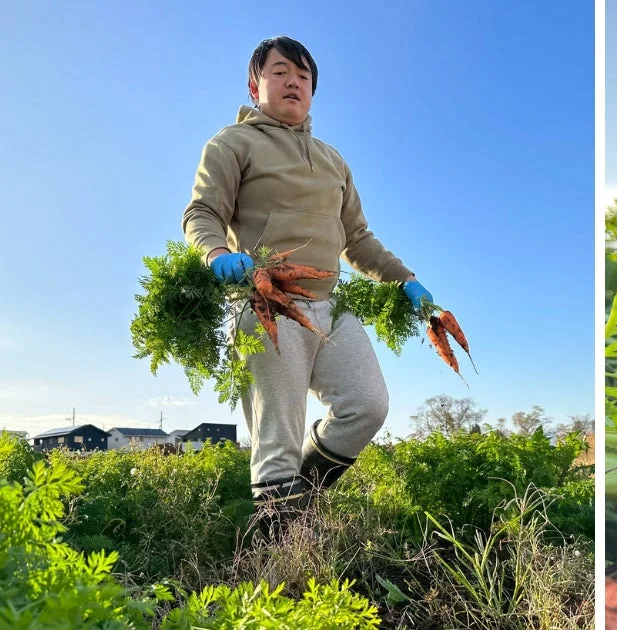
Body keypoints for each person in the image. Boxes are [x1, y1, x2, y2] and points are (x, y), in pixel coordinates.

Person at [181, 35, 432, 543]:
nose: (293, 82)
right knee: (278, 435)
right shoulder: (232, 143)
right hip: (266, 298)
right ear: (256, 84)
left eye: (303, 76)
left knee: (367, 405)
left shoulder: (334, 160)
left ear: (313, 90)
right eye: (280, 72)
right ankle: (276, 557)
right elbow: (202, 213)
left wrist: (404, 279)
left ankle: (294, 508)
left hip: (330, 304)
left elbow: (357, 239)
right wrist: (216, 254)